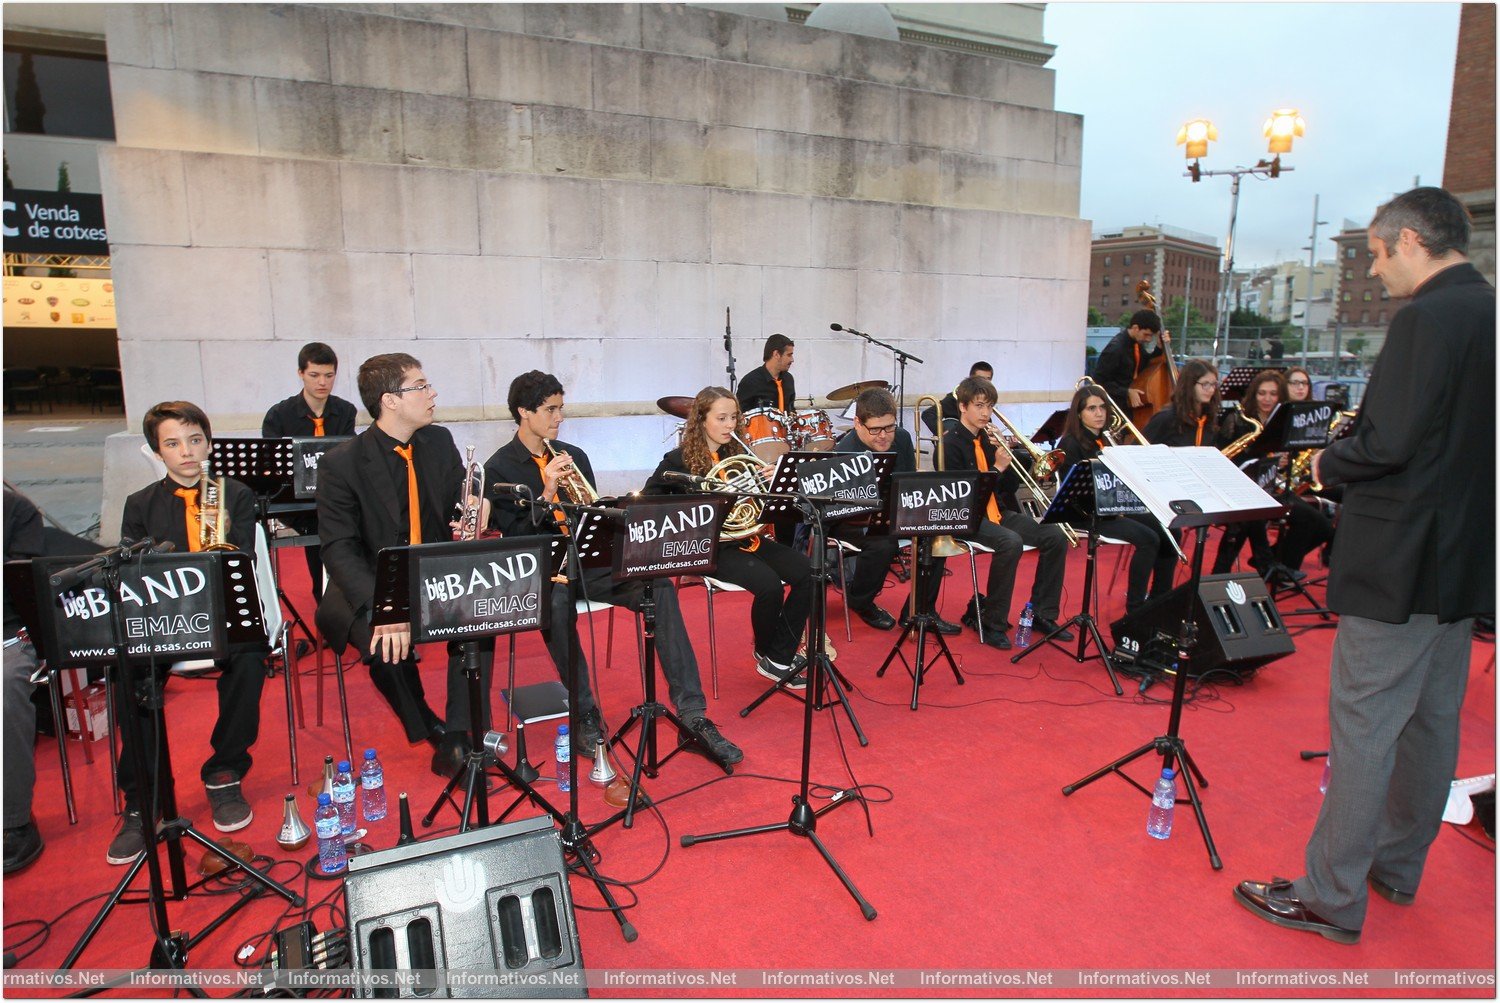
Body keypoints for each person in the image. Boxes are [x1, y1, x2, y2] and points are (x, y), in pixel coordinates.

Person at [1236, 186, 1495, 944]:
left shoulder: (1426, 318)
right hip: (1466, 557)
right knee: (1431, 720)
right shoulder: (1493, 311)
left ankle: (1329, 894)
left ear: (1410, 241)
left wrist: (1325, 462)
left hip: (1400, 560)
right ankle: (1395, 865)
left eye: (1378, 254)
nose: (1376, 271)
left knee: (1365, 726)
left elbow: (1388, 445)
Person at [484, 371, 741, 764]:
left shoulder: (572, 455)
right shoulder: (499, 467)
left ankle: (693, 711)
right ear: (523, 412)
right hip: (541, 571)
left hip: (589, 562)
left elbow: (591, 514)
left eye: (561, 408)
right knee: (555, 605)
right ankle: (585, 711)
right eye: (550, 410)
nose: (559, 418)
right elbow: (518, 535)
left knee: (661, 587)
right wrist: (548, 493)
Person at [109, 402, 266, 865]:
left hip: (220, 615)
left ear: (209, 442)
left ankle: (224, 769)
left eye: (195, 440)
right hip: (163, 622)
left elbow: (240, 562)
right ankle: (144, 797)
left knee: (250, 656)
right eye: (173, 444)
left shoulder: (232, 494)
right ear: (158, 452)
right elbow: (133, 577)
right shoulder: (139, 505)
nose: (187, 452)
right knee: (126, 673)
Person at [316, 354, 480, 779]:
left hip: (436, 574)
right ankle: (428, 726)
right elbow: (338, 549)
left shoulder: (438, 441)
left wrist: (477, 511)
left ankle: (459, 732)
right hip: (372, 578)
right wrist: (385, 607)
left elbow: (459, 508)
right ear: (390, 400)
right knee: (380, 640)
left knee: (482, 615)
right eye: (421, 386)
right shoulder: (341, 463)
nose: (432, 393)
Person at [646, 387, 813, 687]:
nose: (729, 426)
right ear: (701, 420)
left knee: (808, 572)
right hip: (711, 547)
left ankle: (778, 653)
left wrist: (768, 482)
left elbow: (756, 505)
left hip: (745, 537)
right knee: (769, 585)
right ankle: (770, 654)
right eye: (721, 418)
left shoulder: (736, 452)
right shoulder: (677, 460)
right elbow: (649, 501)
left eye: (733, 418)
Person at [940, 376, 1071, 649]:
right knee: (1010, 542)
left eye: (989, 407)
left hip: (995, 512)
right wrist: (997, 468)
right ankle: (992, 621)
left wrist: (1011, 461)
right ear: (963, 407)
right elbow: (965, 494)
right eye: (979, 406)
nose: (986, 413)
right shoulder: (950, 444)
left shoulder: (987, 440)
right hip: (966, 516)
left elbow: (1004, 490)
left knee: (1055, 536)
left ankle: (1043, 614)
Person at [834, 388, 955, 634]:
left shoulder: (901, 437)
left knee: (936, 531)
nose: (883, 436)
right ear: (857, 423)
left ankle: (919, 609)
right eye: (875, 429)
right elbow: (841, 510)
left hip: (890, 512)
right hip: (850, 519)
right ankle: (861, 601)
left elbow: (907, 483)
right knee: (883, 543)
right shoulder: (844, 451)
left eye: (889, 427)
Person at [1054, 384, 1178, 614]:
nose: (1099, 413)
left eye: (1102, 408)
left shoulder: (1106, 439)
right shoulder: (1070, 444)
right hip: (1087, 514)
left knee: (1171, 531)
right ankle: (1136, 608)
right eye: (1092, 409)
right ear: (1079, 414)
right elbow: (1074, 494)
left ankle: (1161, 598)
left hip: (1113, 506)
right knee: (1149, 539)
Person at [1211, 370, 1334, 581]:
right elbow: (1224, 458)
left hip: (1270, 487)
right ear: (1253, 395)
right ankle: (1260, 565)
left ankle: (1275, 564)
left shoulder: (1282, 421)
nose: (1267, 399)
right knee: (1249, 515)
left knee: (1319, 523)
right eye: (1262, 394)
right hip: (1238, 486)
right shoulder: (1240, 419)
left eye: (1273, 394)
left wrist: (1283, 462)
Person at [262, 342, 359, 600]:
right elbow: (273, 470)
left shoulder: (345, 411)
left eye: (329, 376)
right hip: (298, 502)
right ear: (300, 373)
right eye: (314, 375)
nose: (322, 383)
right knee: (319, 527)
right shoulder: (279, 415)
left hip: (336, 497)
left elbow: (350, 458)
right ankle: (324, 599)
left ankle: (346, 596)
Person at [3, 487, 46, 874]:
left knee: (5, 690)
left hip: (9, 634)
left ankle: (12, 820)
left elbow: (24, 587)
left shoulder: (14, 509)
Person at [1093, 310, 1171, 417]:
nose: (1148, 339)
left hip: (1130, 406)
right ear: (1135, 328)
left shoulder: (1136, 343)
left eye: (1151, 336)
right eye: (1146, 335)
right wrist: (1126, 392)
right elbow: (1099, 380)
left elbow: (1146, 365)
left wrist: (1159, 347)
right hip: (1116, 407)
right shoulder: (1115, 349)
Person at [1141, 359, 1222, 448]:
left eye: (1214, 384)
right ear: (1189, 385)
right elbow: (1138, 449)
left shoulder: (1209, 420)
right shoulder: (1166, 418)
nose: (1211, 390)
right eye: (1205, 384)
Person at [921, 361, 993, 435]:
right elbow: (928, 415)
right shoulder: (953, 399)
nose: (984, 383)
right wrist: (943, 431)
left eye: (988, 379)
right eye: (980, 379)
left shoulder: (988, 402)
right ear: (971, 379)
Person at [735, 334, 796, 413]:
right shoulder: (750, 381)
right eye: (789, 355)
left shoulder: (788, 379)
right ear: (776, 354)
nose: (792, 359)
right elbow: (740, 415)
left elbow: (791, 409)